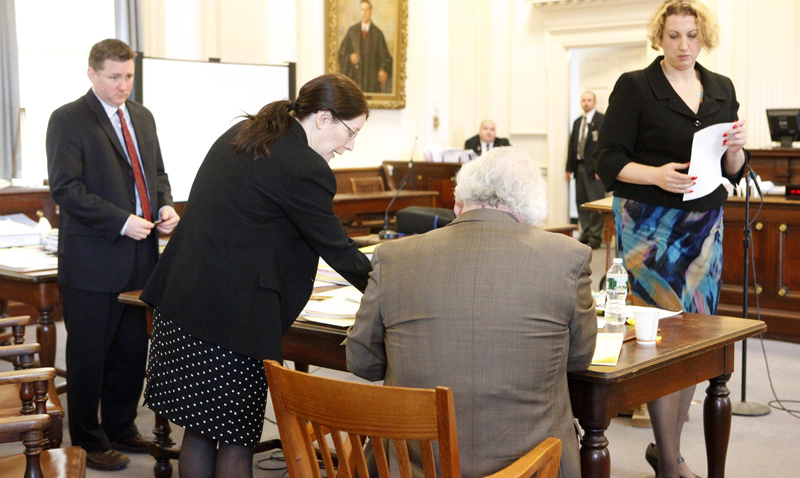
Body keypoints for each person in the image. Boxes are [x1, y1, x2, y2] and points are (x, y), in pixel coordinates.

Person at [140, 73, 373, 478]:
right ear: (323, 118)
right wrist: (391, 289)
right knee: (236, 441)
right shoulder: (303, 165)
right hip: (232, 320)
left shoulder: (250, 132)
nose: (350, 145)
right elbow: (338, 249)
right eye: (350, 132)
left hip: (182, 303)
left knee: (198, 432)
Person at [347, 147, 597, 478]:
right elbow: (579, 360)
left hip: (414, 467)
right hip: (533, 467)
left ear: (457, 203)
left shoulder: (393, 257)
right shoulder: (570, 257)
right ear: (531, 212)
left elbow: (362, 362)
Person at [593, 0, 748, 478]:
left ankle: (667, 449)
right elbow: (607, 163)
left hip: (704, 228)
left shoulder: (721, 88)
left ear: (705, 37)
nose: (684, 45)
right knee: (661, 340)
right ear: (659, 36)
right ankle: (671, 457)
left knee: (695, 341)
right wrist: (657, 175)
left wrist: (738, 151)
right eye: (674, 35)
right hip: (649, 226)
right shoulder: (635, 86)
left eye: (692, 35)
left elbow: (735, 173)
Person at [46, 38, 180, 471]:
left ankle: (122, 426)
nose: (123, 86)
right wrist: (122, 220)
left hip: (142, 255)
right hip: (93, 259)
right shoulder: (68, 119)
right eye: (114, 77)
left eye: (129, 76)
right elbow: (67, 189)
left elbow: (156, 172)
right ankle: (87, 439)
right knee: (89, 355)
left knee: (129, 351)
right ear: (92, 74)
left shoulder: (142, 116)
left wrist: (164, 204)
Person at [565, 91, 605, 248]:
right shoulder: (577, 122)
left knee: (595, 203)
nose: (586, 103)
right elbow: (572, 146)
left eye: (589, 100)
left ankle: (595, 237)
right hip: (579, 167)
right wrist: (568, 168)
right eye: (583, 100)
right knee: (581, 202)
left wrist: (600, 167)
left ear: (594, 102)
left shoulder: (601, 120)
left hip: (594, 170)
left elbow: (604, 145)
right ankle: (586, 233)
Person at [338, 0, 393, 93]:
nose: (364, 13)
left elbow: (386, 58)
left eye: (366, 10)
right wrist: (350, 57)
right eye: (362, 10)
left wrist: (383, 69)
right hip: (355, 80)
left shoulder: (378, 34)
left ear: (370, 12)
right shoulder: (352, 31)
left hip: (372, 82)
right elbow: (341, 53)